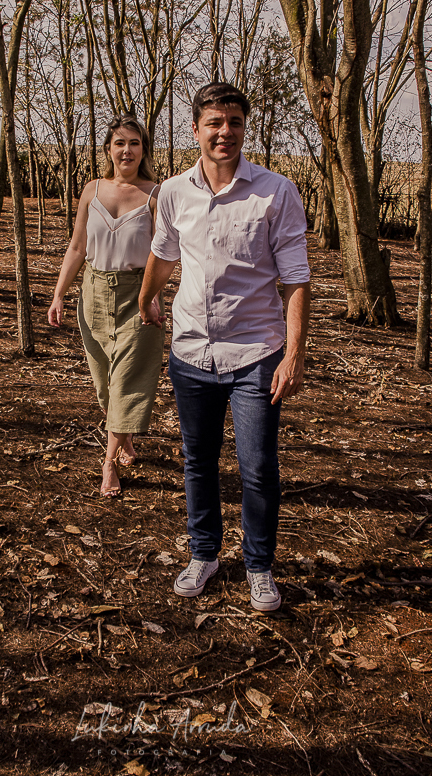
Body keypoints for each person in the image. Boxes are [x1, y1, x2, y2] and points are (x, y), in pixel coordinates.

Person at [138, 82, 310, 612]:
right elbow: (164, 253)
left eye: (234, 122)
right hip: (191, 351)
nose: (224, 132)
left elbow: (295, 278)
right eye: (214, 123)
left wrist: (294, 354)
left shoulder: (276, 192)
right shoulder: (173, 192)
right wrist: (147, 295)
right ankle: (204, 554)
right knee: (198, 460)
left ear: (243, 128)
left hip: (256, 353)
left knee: (257, 467)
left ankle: (259, 565)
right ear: (196, 129)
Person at [48, 116, 165, 498]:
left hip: (138, 297)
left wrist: (153, 296)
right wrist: (59, 294)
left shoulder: (155, 195)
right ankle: (124, 436)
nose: (127, 150)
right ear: (108, 150)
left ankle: (109, 462)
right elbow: (77, 247)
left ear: (143, 150)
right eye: (119, 143)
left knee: (127, 382)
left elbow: (161, 254)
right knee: (104, 386)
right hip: (94, 294)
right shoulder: (92, 190)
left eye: (134, 143)